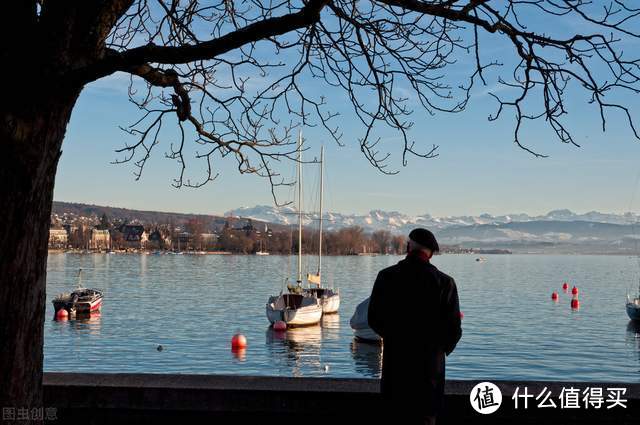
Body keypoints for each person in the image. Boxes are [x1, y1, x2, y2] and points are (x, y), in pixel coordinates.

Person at [368, 228, 462, 425]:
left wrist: (395, 337)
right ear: (431, 253)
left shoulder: (386, 277)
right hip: (430, 372)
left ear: (408, 247)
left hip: (396, 367)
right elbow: (453, 330)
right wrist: (438, 349)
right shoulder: (445, 283)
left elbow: (374, 319)